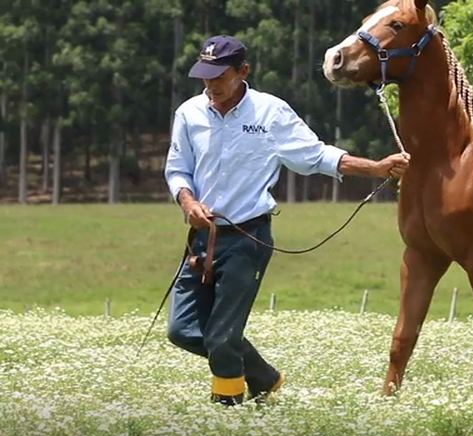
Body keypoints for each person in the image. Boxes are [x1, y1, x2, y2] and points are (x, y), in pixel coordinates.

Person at [164, 35, 410, 407]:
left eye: (219, 76)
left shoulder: (271, 113)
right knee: (182, 331)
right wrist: (188, 201)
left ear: (244, 71)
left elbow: (317, 156)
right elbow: (178, 169)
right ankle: (264, 378)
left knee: (222, 336)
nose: (210, 85)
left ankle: (226, 409)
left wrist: (375, 168)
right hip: (201, 238)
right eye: (205, 76)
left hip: (249, 239)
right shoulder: (189, 114)